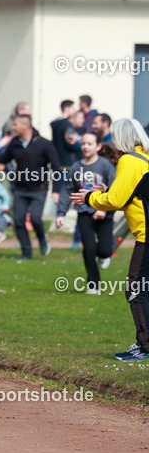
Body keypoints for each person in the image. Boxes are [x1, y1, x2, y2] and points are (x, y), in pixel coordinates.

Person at [70, 119, 149, 361]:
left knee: (136, 289)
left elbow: (115, 200)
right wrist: (105, 192)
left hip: (147, 236)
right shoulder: (144, 158)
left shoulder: (128, 160)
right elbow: (130, 195)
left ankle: (145, 346)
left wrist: (91, 198)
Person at [0, 114, 61, 259]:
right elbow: (3, 158)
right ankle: (26, 253)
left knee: (35, 218)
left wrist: (56, 191)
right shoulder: (15, 143)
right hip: (20, 189)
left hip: (38, 189)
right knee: (19, 221)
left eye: (15, 125)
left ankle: (42, 239)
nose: (13, 128)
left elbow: (56, 168)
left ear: (25, 126)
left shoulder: (44, 144)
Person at [57, 132, 115, 294]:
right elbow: (67, 190)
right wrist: (61, 213)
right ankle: (93, 284)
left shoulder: (105, 165)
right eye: (83, 143)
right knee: (89, 248)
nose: (86, 147)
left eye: (90, 144)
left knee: (104, 250)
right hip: (84, 213)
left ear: (98, 146)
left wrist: (102, 209)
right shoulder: (76, 167)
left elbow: (114, 189)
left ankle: (105, 255)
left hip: (104, 213)